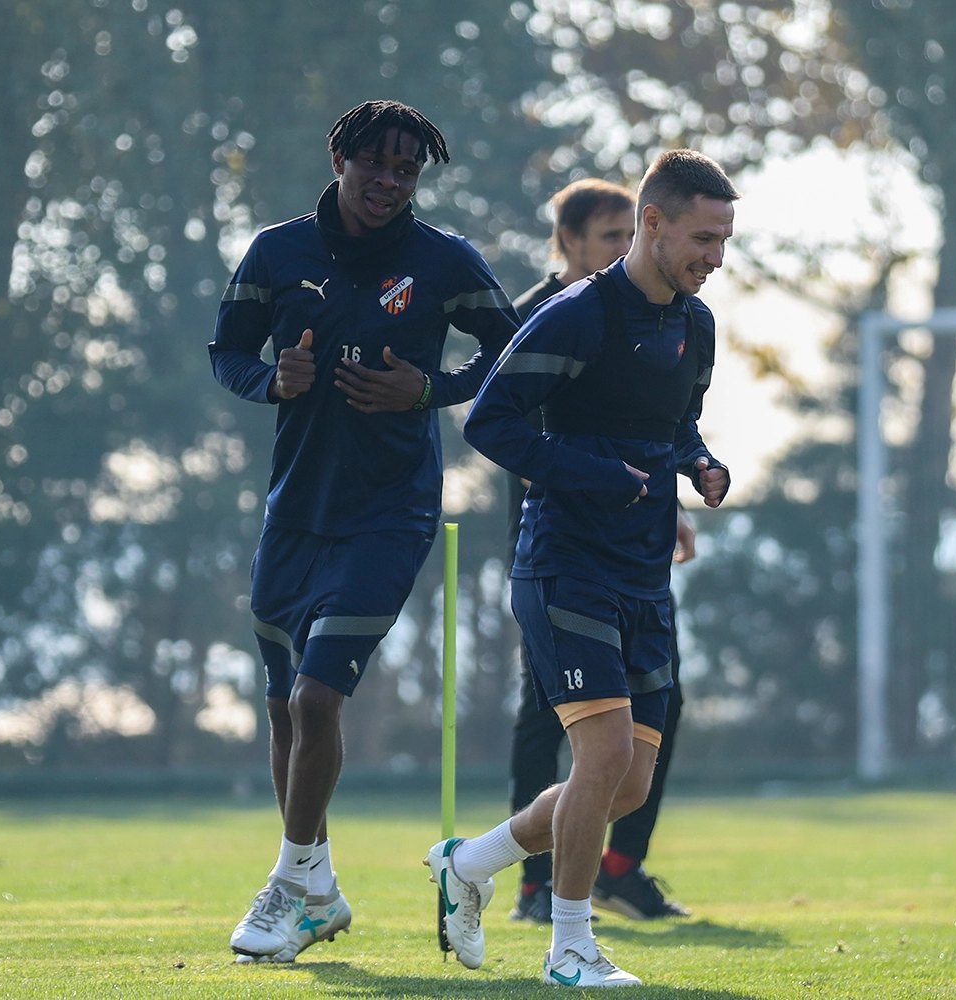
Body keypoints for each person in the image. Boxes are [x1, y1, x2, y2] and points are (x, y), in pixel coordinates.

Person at [208, 100, 519, 963]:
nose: (388, 181)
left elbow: (511, 346)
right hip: (295, 510)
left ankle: (286, 887)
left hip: (391, 512)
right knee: (283, 707)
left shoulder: (444, 259)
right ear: (339, 158)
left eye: (406, 169)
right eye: (374, 163)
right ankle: (321, 891)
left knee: (317, 699)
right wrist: (273, 381)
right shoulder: (276, 252)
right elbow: (227, 352)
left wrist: (430, 390)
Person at [427, 149, 737, 987]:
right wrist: (593, 473)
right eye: (703, 239)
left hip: (645, 578)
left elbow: (678, 424)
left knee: (625, 787)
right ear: (653, 223)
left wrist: (700, 465)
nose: (716, 257)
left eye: (724, 241)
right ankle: (570, 949)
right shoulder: (575, 315)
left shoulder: (696, 325)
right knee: (599, 763)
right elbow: (490, 422)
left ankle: (468, 863)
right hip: (565, 567)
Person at [504, 179, 693, 926]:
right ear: (568, 241)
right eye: (609, 236)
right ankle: (534, 885)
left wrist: (670, 499)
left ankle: (620, 866)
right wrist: (595, 484)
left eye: (627, 233)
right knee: (545, 716)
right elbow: (506, 427)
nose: (623, 247)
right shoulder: (544, 314)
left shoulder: (657, 318)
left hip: (634, 550)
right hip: (561, 551)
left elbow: (659, 427)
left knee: (660, 709)